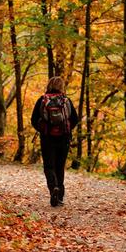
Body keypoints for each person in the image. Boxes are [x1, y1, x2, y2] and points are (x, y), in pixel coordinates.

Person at [31, 76, 78, 207]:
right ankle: (60, 196)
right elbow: (75, 118)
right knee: (59, 166)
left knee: (49, 166)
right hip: (64, 138)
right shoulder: (66, 101)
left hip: (47, 138)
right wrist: (66, 130)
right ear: (62, 87)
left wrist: (43, 129)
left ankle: (53, 189)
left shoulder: (42, 100)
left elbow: (34, 120)